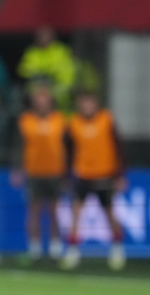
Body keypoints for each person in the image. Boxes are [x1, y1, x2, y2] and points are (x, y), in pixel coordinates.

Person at [61, 91, 127, 271]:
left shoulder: (106, 119)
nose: (87, 106)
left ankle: (117, 249)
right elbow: (68, 151)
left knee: (109, 212)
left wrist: (120, 175)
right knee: (76, 211)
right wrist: (67, 176)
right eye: (84, 102)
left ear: (96, 103)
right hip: (82, 175)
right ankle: (73, 251)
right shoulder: (73, 123)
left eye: (90, 102)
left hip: (104, 174)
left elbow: (119, 147)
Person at [12, 85, 67, 261]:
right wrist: (17, 168)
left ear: (50, 101)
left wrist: (67, 173)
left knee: (54, 211)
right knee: (34, 211)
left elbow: (67, 147)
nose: (42, 102)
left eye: (45, 99)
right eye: (38, 99)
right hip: (33, 172)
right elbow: (19, 146)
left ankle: (55, 248)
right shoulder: (25, 120)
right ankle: (34, 248)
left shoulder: (60, 120)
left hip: (55, 172)